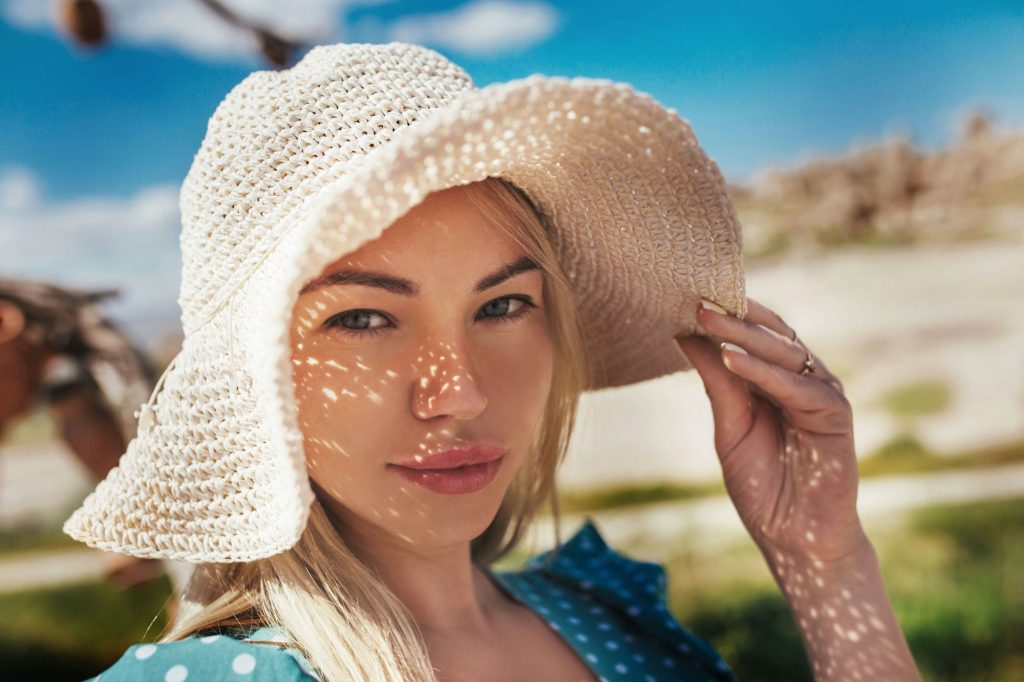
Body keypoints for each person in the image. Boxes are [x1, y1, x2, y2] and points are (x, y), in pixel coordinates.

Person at [65, 42, 922, 681]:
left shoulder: (611, 617)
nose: (462, 393)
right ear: (257, 378)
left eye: (503, 306)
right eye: (365, 318)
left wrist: (823, 560)